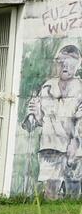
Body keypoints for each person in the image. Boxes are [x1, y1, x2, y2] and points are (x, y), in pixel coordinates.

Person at [22, 44, 82, 198]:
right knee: (50, 192)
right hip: (50, 148)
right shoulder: (47, 86)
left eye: (70, 62)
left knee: (73, 193)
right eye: (61, 62)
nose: (65, 66)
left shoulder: (80, 89)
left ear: (78, 64)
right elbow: (39, 121)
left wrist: (75, 143)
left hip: (73, 150)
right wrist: (35, 115)